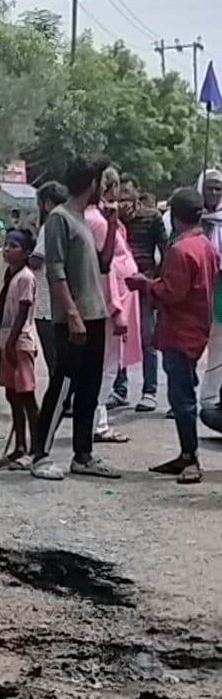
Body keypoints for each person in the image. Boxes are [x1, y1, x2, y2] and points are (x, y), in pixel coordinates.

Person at [29, 157, 119, 480]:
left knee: (89, 388)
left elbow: (104, 263)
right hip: (74, 319)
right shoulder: (60, 219)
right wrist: (71, 314)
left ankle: (83, 454)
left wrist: (112, 226)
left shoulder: (82, 219)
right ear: (92, 183)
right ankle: (40, 454)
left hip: (95, 316)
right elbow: (55, 271)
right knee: (62, 386)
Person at [126, 188, 217, 484]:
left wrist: (146, 284)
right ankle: (185, 453)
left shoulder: (180, 250)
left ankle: (190, 456)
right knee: (183, 391)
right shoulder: (205, 245)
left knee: (182, 397)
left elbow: (173, 293)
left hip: (179, 330)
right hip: (196, 328)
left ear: (174, 218)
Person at [84, 166, 140, 445]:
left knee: (110, 363)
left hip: (120, 295)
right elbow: (102, 268)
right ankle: (96, 422)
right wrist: (116, 309)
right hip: (111, 300)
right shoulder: (96, 221)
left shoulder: (106, 219)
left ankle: (99, 419)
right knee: (106, 364)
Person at [110, 174, 165, 412]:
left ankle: (149, 390)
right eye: (119, 194)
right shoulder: (111, 219)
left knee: (147, 336)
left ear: (136, 193)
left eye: (127, 194)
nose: (123, 200)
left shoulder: (152, 217)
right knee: (118, 336)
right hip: (118, 285)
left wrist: (154, 280)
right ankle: (119, 388)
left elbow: (164, 250)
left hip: (143, 284)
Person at [0, 229, 40, 472]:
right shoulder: (10, 275)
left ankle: (36, 448)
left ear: (26, 253)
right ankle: (19, 444)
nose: (7, 249)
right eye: (6, 245)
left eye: (14, 246)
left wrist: (11, 342)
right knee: (12, 394)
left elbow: (23, 310)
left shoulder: (25, 277)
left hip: (19, 342)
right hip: (6, 340)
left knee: (26, 395)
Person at [30, 181, 69, 378]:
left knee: (54, 358)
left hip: (46, 303)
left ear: (46, 203)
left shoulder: (50, 225)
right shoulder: (70, 221)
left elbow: (37, 259)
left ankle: (60, 402)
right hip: (63, 300)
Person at [196, 169, 222, 410]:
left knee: (218, 348)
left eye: (218, 188)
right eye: (210, 188)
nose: (214, 193)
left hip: (219, 290)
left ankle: (210, 397)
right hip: (193, 291)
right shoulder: (188, 216)